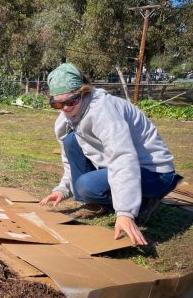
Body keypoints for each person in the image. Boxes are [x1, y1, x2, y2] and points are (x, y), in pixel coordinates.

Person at [39, 63, 182, 246]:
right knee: (70, 141)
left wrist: (125, 212)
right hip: (121, 167)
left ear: (83, 92)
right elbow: (69, 157)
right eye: (58, 103)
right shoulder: (67, 118)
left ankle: (144, 203)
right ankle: (96, 204)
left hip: (155, 174)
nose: (65, 108)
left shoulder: (103, 111)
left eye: (71, 101)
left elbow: (123, 157)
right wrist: (63, 188)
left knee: (86, 185)